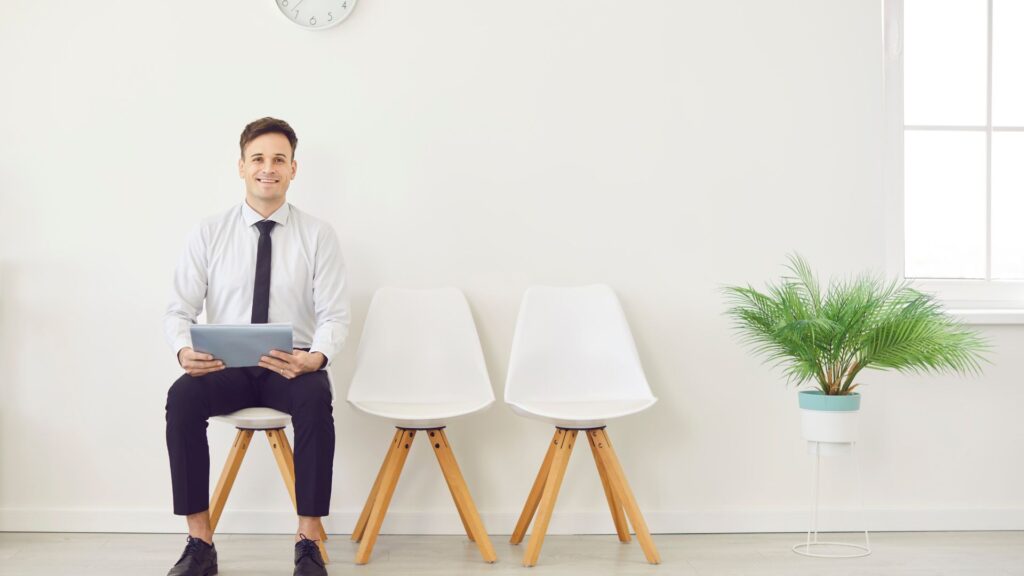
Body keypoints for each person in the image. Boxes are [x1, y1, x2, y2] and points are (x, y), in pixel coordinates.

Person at [162, 117, 349, 576]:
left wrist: (316, 358)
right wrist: (185, 351)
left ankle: (308, 540)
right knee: (181, 398)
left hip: (291, 365)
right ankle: (199, 542)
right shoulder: (209, 231)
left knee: (316, 397)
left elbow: (335, 316)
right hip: (224, 366)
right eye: (259, 159)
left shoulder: (318, 234)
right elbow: (178, 310)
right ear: (242, 167)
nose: (269, 168)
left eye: (279, 160)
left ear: (293, 169)